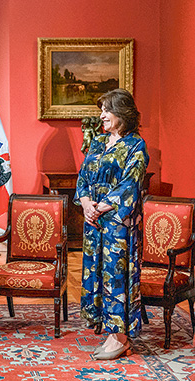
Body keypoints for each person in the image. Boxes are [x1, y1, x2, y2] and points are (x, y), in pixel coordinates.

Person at [75, 88, 149, 360]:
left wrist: (101, 206)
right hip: (93, 221)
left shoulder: (135, 145)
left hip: (117, 222)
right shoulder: (96, 142)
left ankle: (120, 336)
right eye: (101, 110)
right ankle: (108, 330)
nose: (102, 115)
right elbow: (82, 177)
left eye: (107, 110)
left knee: (115, 275)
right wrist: (85, 204)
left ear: (123, 113)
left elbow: (131, 184)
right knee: (95, 273)